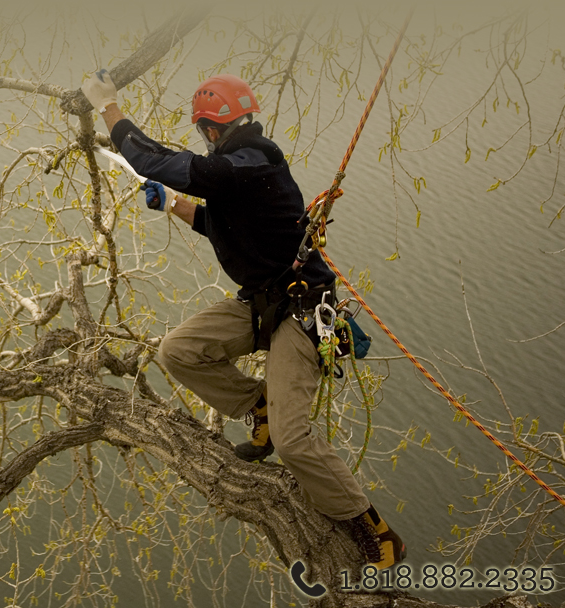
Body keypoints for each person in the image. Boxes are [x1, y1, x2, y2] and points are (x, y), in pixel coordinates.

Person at [81, 70, 405, 569]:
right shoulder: (243, 167)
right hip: (260, 303)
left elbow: (150, 159)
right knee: (178, 351)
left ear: (212, 129)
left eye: (204, 132)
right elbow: (223, 225)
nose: (204, 141)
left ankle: (374, 528)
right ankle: (259, 409)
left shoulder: (247, 167)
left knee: (295, 442)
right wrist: (173, 205)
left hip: (299, 310)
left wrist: (109, 106)